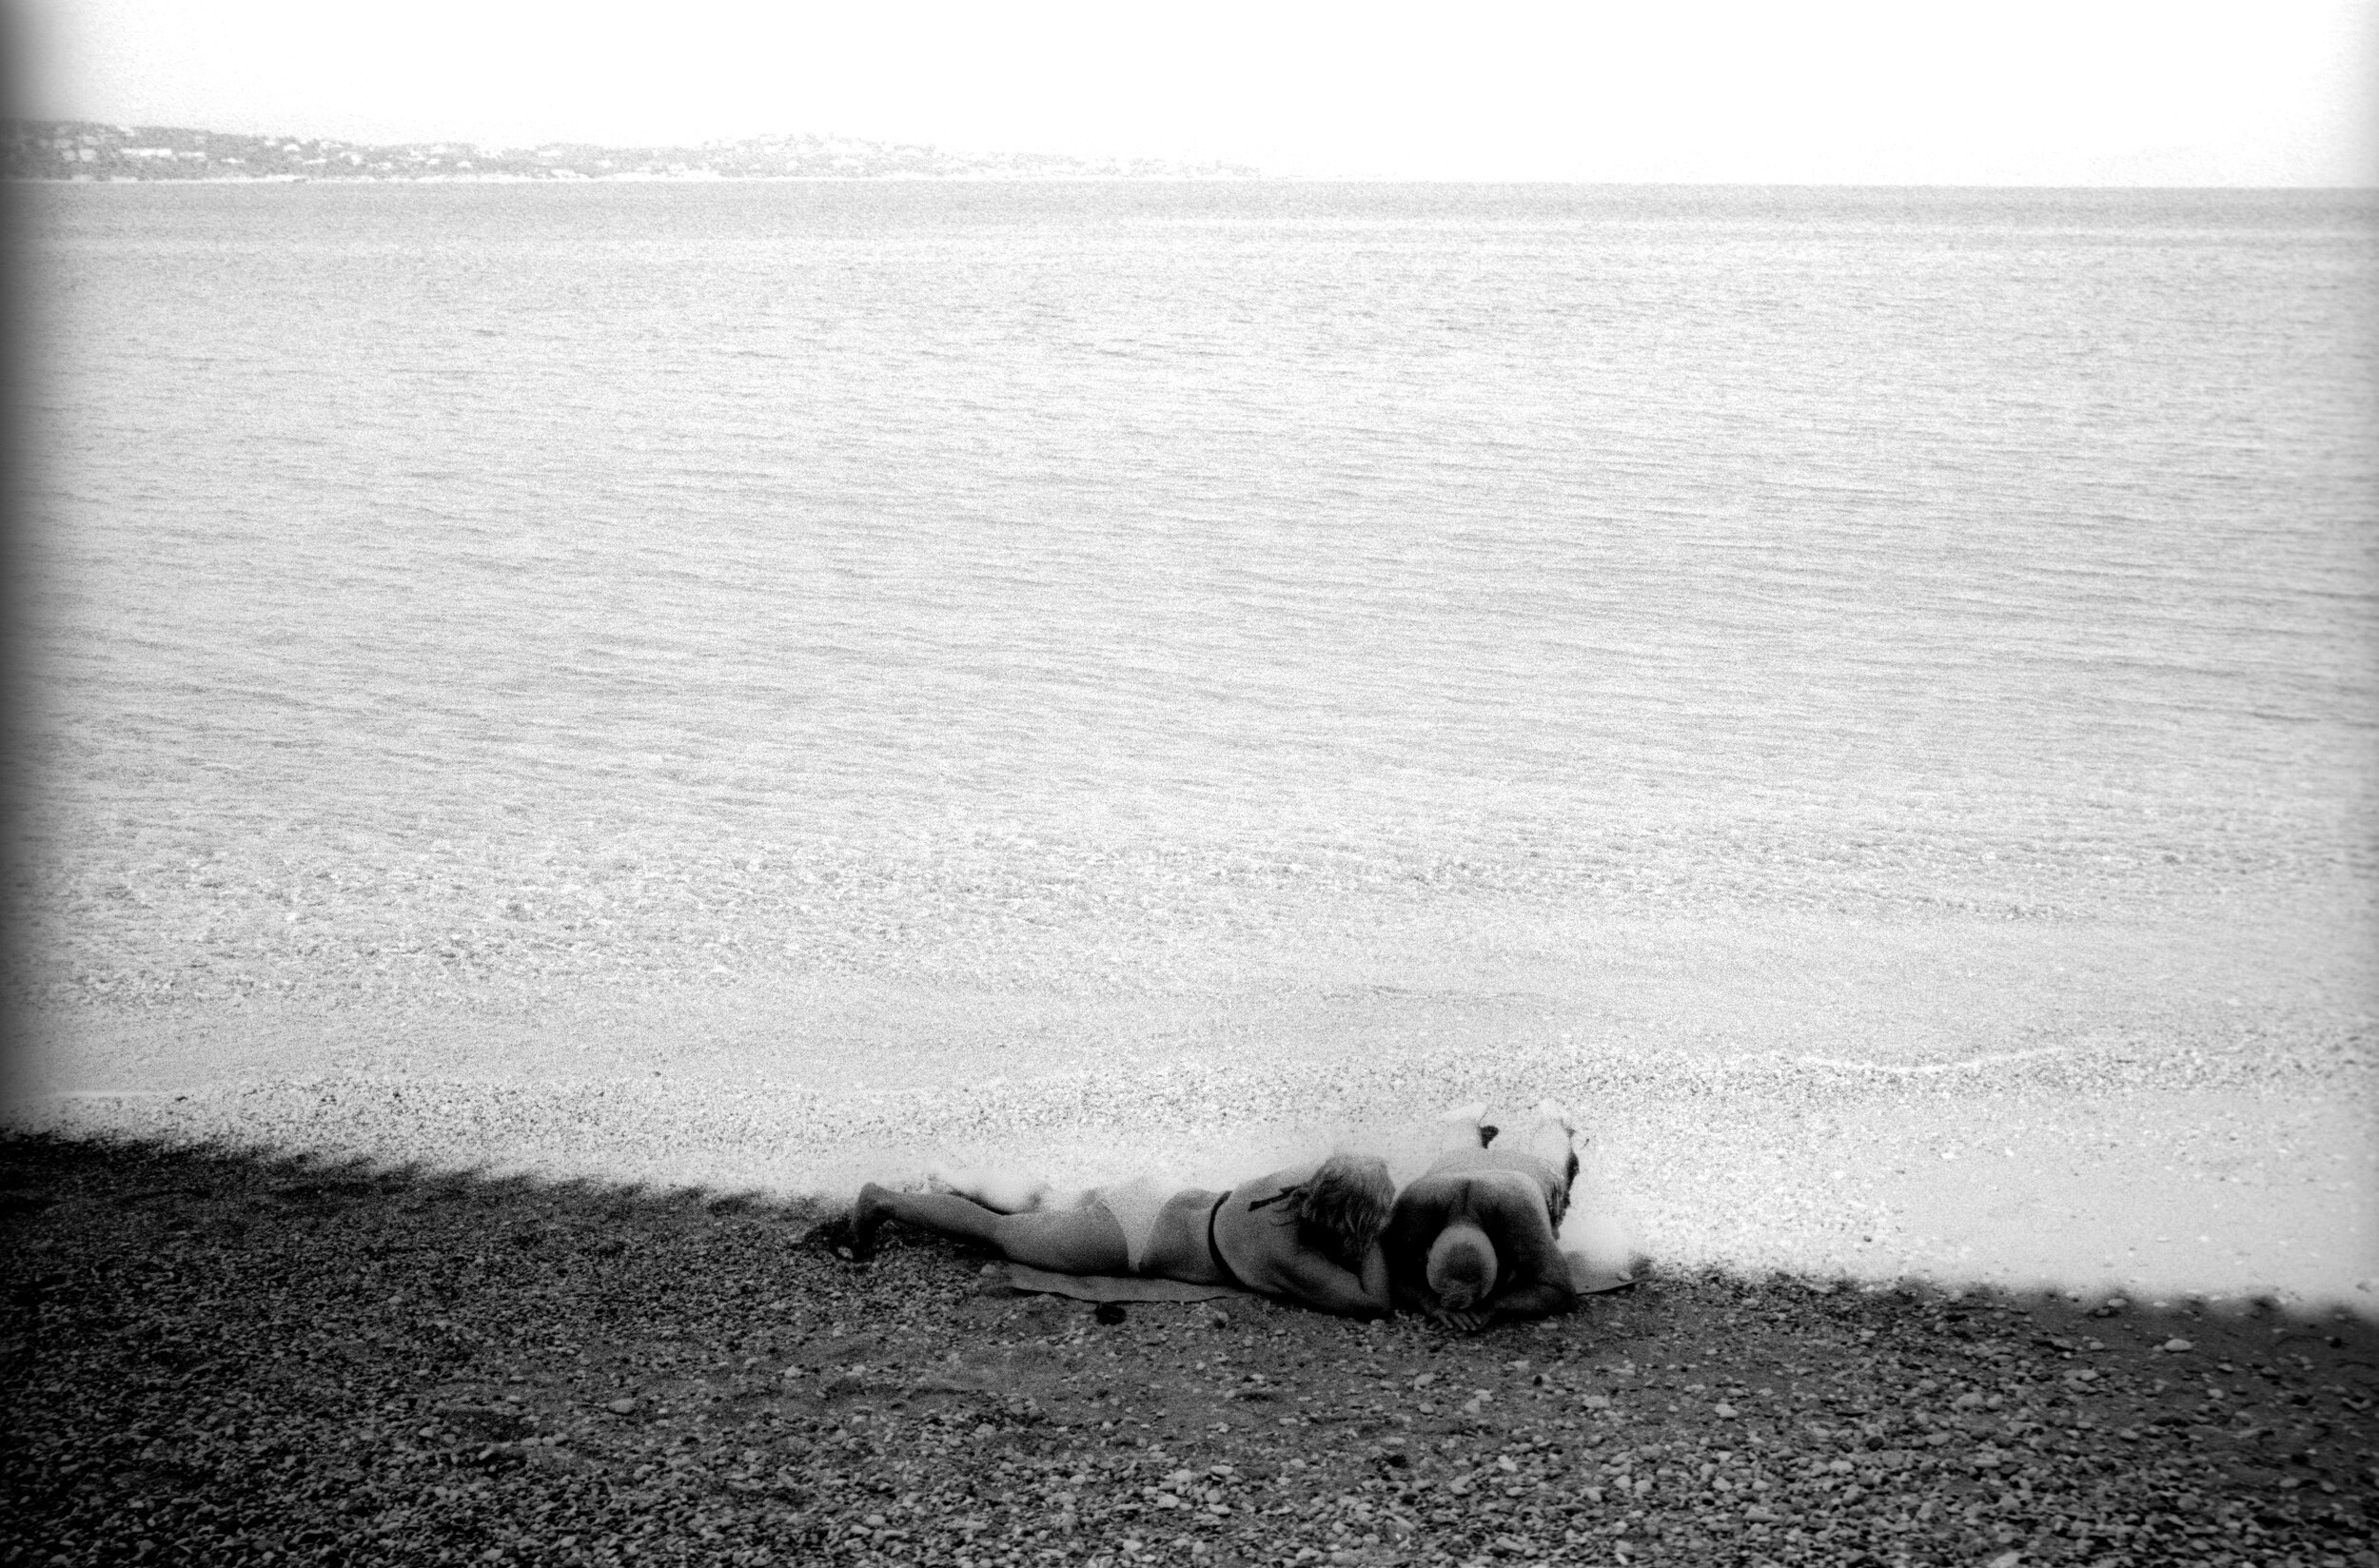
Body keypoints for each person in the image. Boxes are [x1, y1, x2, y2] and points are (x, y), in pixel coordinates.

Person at [841, 1152, 1396, 1320]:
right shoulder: (1287, 1253)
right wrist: (1373, 1237)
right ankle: (883, 1201)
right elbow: (1373, 1302)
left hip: (1152, 1198)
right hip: (1128, 1237)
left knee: (1037, 1217)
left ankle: (957, 1182)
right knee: (999, 1233)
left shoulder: (1286, 1181)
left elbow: (1345, 1166)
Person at [1383, 1098, 1583, 1331]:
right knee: (1459, 1153)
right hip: (1458, 1169)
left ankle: (1554, 1120)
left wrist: (1495, 1306)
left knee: (1552, 1164)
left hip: (1518, 1172)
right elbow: (1385, 1268)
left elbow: (1562, 1291)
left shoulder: (1517, 1211)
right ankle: (1542, 1120)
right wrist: (1431, 1304)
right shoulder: (1419, 1198)